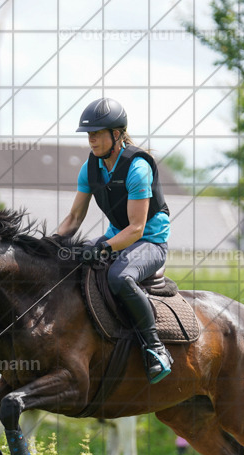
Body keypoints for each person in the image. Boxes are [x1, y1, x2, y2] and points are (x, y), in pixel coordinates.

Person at [57, 97, 173, 383]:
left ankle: (155, 348)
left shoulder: (138, 168)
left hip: (149, 242)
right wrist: (47, 246)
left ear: (117, 134)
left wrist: (103, 247)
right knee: (66, 265)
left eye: (97, 133)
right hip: (116, 238)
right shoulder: (91, 168)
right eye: (89, 134)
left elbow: (136, 228)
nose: (91, 140)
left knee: (120, 278)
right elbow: (73, 219)